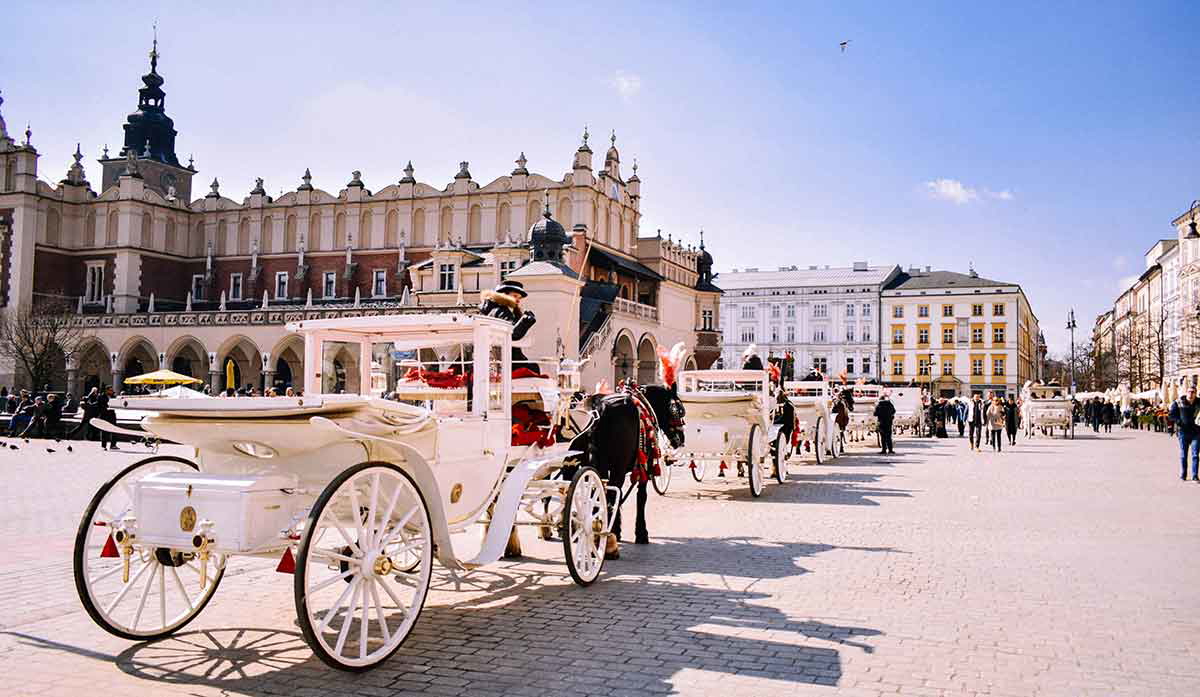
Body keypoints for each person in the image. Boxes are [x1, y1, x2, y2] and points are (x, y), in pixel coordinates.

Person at [478, 280, 539, 374]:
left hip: (497, 359)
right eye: (515, 296)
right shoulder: (503, 311)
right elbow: (512, 334)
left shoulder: (493, 310)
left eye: (520, 297)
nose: (518, 300)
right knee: (534, 368)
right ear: (504, 295)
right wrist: (526, 320)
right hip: (508, 360)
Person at [1168, 387, 1199, 481]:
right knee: (1183, 455)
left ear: (1195, 393)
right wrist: (1178, 421)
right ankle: (1183, 474)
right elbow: (1171, 415)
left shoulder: (1199, 402)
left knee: (1195, 455)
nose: (1191, 394)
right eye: (1189, 392)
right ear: (1186, 393)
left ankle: (1194, 475)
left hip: (1196, 432)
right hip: (1183, 432)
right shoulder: (1178, 402)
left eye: (1193, 392)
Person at [98, 386, 119, 451]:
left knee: (114, 430)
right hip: (104, 415)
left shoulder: (113, 397)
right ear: (106, 391)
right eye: (110, 390)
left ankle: (113, 445)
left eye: (112, 390)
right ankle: (103, 445)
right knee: (104, 431)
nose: (112, 391)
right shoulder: (101, 397)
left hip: (112, 415)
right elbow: (100, 405)